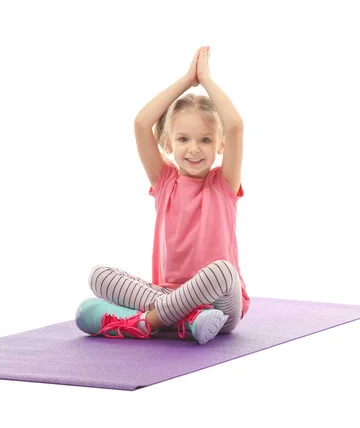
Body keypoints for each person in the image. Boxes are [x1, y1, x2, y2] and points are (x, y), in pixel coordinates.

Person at [75, 46, 250, 345]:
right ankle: (187, 318)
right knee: (99, 276)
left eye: (205, 140)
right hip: (165, 294)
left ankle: (149, 322)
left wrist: (205, 79)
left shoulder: (223, 185)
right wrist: (186, 79)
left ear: (220, 144)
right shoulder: (165, 180)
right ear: (168, 142)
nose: (194, 148)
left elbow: (235, 126)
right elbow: (142, 123)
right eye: (183, 139)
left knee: (224, 271)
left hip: (221, 304)